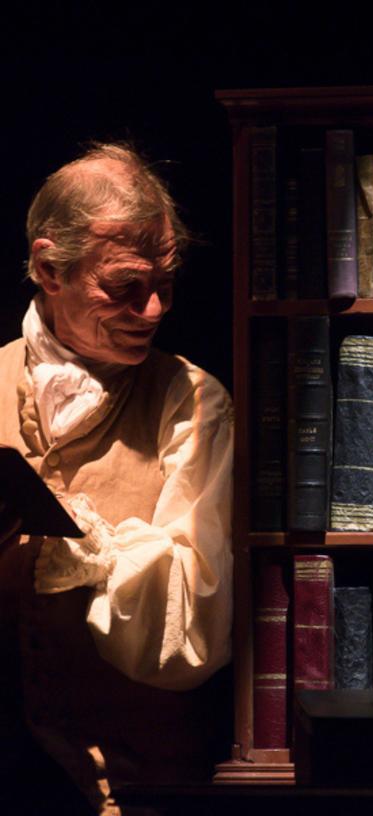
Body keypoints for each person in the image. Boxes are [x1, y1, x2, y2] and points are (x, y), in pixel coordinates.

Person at [0, 143, 233, 814]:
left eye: (165, 282)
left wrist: (97, 555)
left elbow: (198, 621)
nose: (154, 309)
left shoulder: (192, 401)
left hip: (137, 786)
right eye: (125, 286)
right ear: (50, 268)